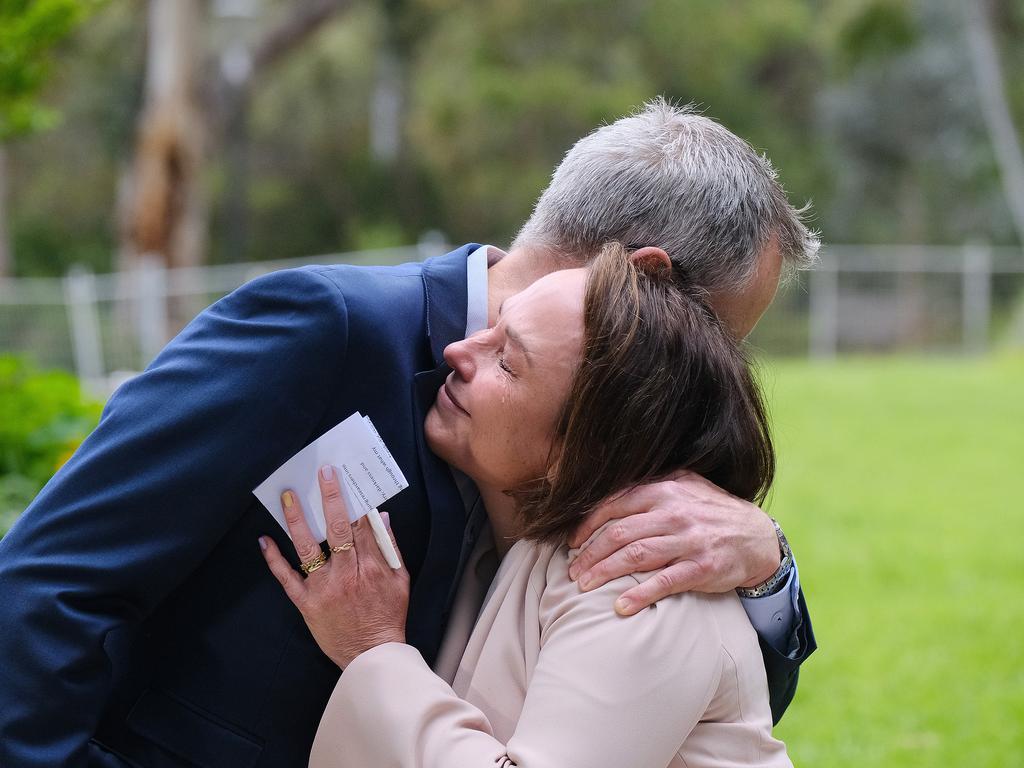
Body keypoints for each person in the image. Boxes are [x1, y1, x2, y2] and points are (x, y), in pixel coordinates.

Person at [0, 100, 816, 767]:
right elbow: (53, 580)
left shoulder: (632, 485)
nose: (706, 375)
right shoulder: (323, 332)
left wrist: (766, 568)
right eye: (718, 336)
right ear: (648, 281)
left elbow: (664, 706)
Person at [263, 243, 791, 767]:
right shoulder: (524, 535)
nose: (459, 351)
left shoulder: (639, 582)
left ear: (581, 448)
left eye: (508, 363)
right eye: (495, 323)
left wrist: (373, 650)